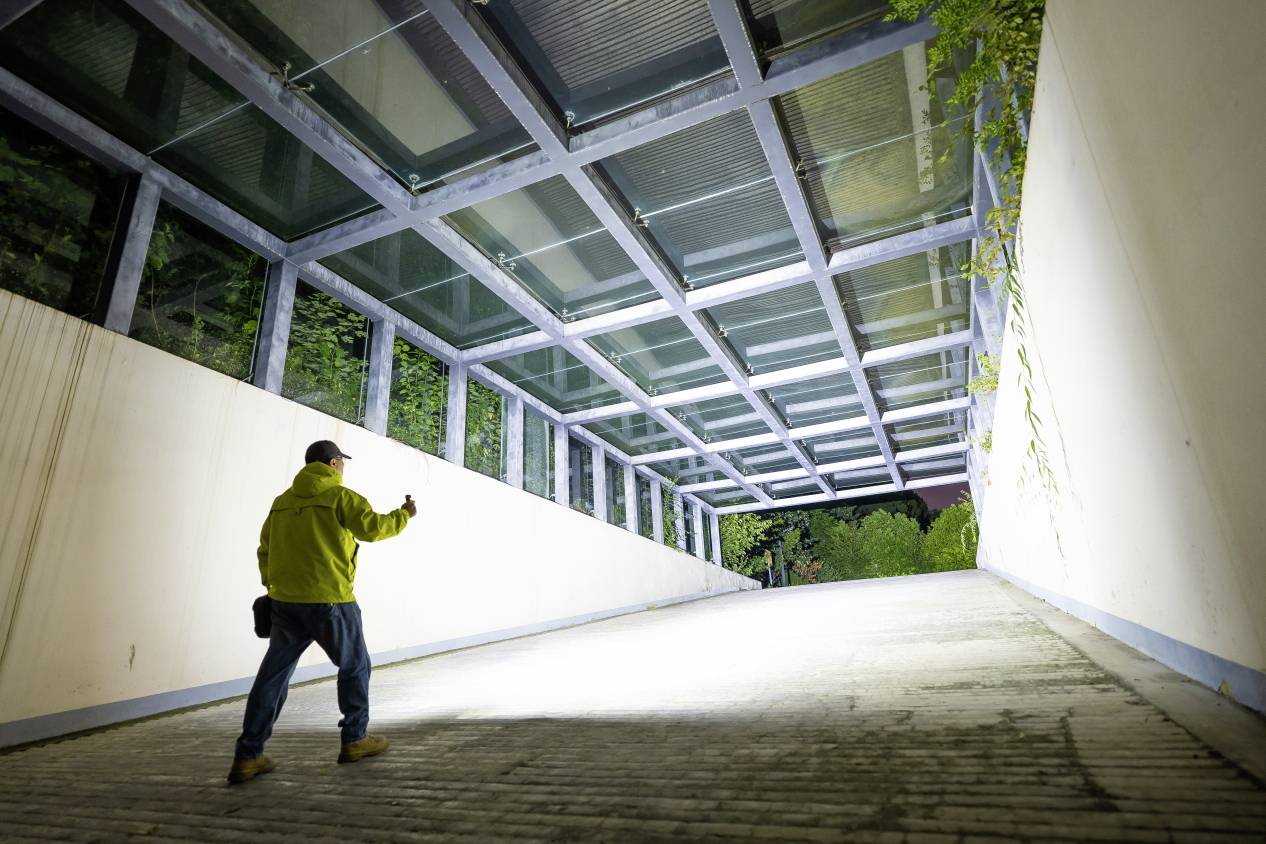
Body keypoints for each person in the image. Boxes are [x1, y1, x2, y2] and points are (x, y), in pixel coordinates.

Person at [227, 440, 417, 784]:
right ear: (332, 463)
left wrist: (273, 587)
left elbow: (264, 549)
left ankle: (247, 755)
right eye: (342, 462)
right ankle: (355, 739)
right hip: (331, 601)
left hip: (286, 603)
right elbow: (373, 529)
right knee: (355, 666)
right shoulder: (340, 497)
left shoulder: (281, 502)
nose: (343, 468)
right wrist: (403, 515)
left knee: (273, 678)